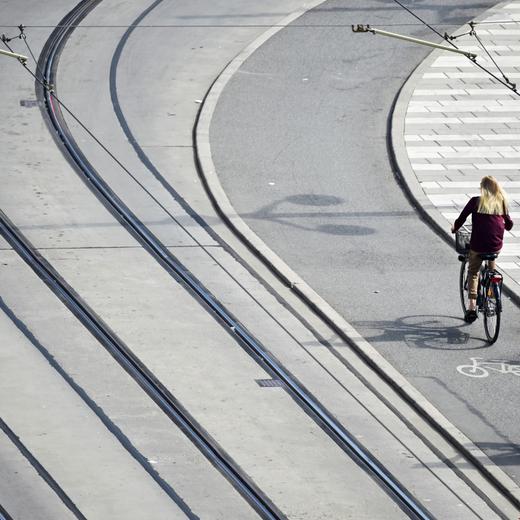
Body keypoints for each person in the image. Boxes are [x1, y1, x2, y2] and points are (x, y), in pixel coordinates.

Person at [451, 176, 513, 323]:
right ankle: (491, 291)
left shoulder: (475, 201)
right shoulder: (501, 202)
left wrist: (455, 228)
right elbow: (509, 224)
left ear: (482, 189)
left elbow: (462, 218)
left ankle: (472, 307)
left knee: (473, 272)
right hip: (495, 245)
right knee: (491, 263)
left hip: (478, 245)